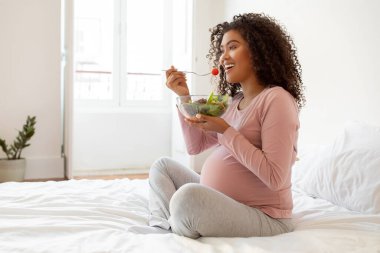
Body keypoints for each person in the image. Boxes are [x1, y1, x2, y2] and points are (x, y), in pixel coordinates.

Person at [145, 13, 305, 238]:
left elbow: (275, 177)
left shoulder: (276, 99)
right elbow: (195, 146)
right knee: (162, 167)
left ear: (258, 50)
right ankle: (164, 226)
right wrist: (184, 98)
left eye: (232, 47)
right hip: (223, 199)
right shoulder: (235, 101)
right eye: (221, 50)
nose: (223, 58)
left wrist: (225, 131)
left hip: (265, 215)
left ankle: (179, 219)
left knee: (186, 198)